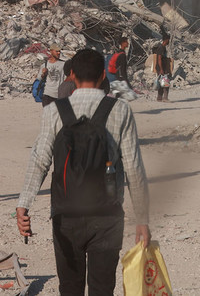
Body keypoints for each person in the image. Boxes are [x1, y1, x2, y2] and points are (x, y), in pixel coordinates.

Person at [16, 48, 151, 294]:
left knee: (70, 287)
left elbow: (40, 159)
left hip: (66, 214)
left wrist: (23, 205)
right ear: (103, 76)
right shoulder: (120, 110)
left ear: (72, 76)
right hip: (107, 216)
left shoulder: (54, 111)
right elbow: (133, 167)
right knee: (102, 288)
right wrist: (142, 219)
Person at [153, 34, 171, 102]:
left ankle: (159, 98)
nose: (169, 41)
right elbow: (159, 59)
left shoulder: (162, 47)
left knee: (161, 83)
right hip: (161, 68)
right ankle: (165, 98)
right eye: (168, 40)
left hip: (161, 67)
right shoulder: (161, 48)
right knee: (166, 82)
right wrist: (161, 69)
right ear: (166, 40)